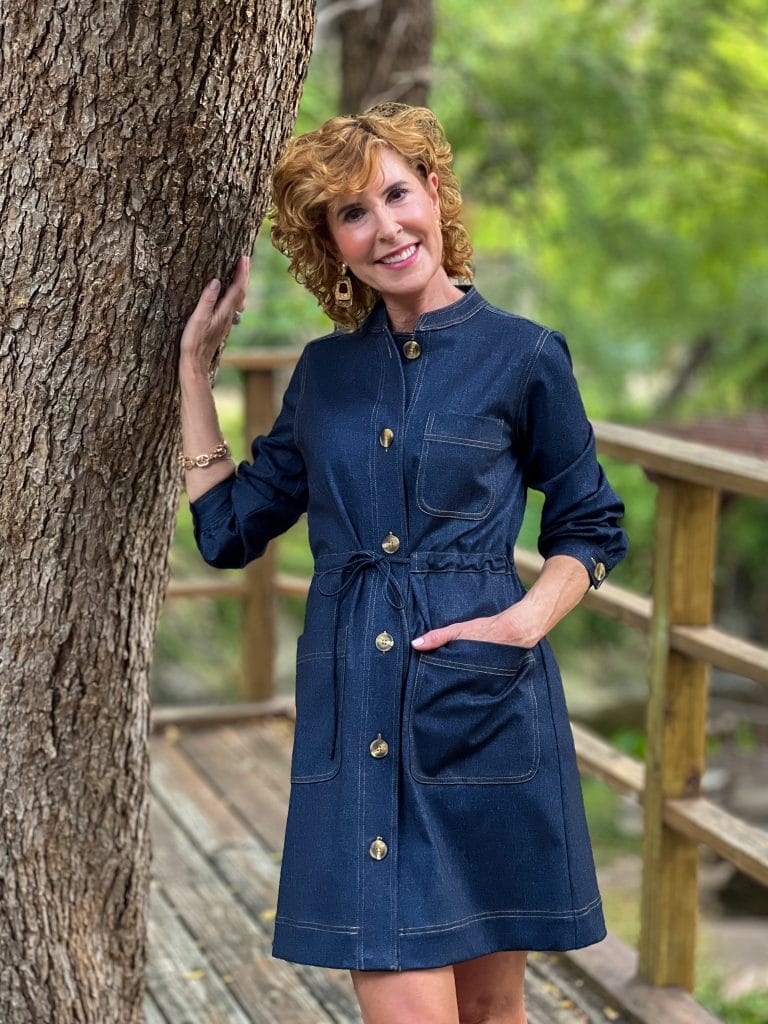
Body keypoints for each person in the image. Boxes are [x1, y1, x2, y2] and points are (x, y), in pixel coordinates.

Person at [178, 104, 627, 1024]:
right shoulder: (324, 375)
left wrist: (521, 624)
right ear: (330, 243)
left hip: (484, 710)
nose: (385, 227)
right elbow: (228, 530)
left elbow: (590, 523)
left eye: (395, 193)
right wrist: (193, 374)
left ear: (434, 194)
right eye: (352, 212)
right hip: (356, 722)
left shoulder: (525, 356)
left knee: (495, 1013)